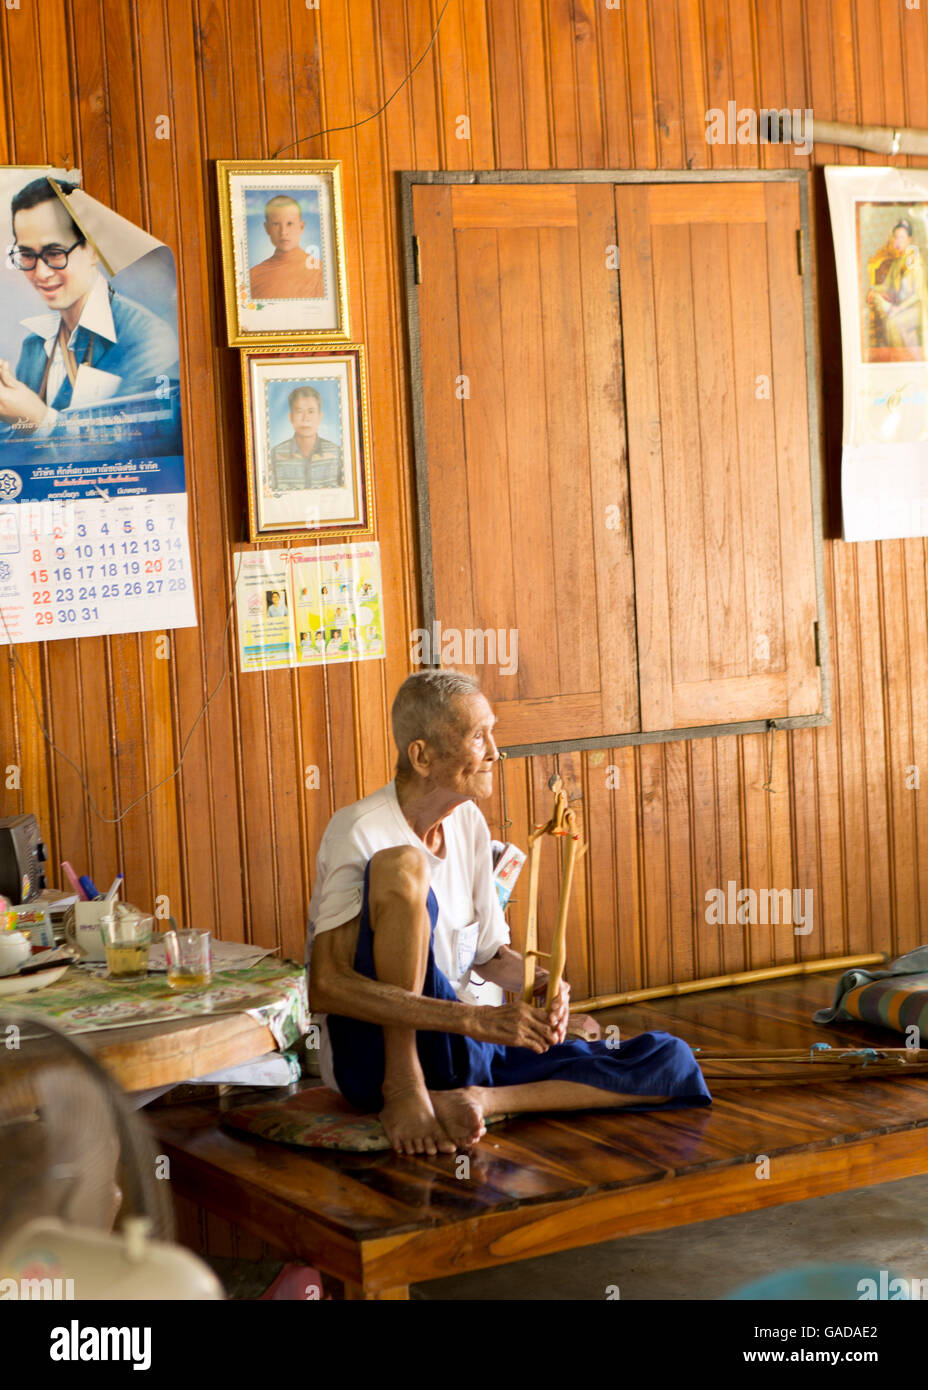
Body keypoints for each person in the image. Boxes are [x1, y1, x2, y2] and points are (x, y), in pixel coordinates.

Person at [307, 669, 710, 1156]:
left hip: (458, 1050)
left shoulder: (469, 824)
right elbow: (326, 985)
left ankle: (482, 1099)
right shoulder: (359, 830)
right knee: (403, 867)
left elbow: (487, 955)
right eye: (478, 737)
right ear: (422, 755)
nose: (496, 752)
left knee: (671, 1057)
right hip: (375, 1058)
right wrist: (474, 1021)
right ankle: (406, 1088)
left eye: (492, 733)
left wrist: (543, 982)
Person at [0, 177, 179, 436]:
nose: (40, 273)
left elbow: (147, 442)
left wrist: (39, 419)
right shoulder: (34, 346)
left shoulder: (149, 339)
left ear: (94, 249)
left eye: (55, 253)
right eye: (27, 255)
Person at [866, 218, 928, 356]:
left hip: (917, 307)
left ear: (909, 239)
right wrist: (873, 289)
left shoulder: (914, 260)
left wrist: (898, 308)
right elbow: (886, 286)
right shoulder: (896, 263)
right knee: (886, 313)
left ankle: (903, 358)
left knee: (892, 323)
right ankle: (898, 357)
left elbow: (918, 295)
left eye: (902, 237)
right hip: (902, 306)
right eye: (896, 237)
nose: (898, 241)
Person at [267, 386, 343, 492]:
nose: (305, 419)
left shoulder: (337, 454)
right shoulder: (274, 455)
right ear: (290, 417)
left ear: (320, 417)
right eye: (299, 412)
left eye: (311, 411)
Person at [248, 195, 323, 300]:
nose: (283, 232)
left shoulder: (319, 271)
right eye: (276, 224)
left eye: (290, 224)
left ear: (301, 227)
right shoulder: (253, 276)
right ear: (267, 228)